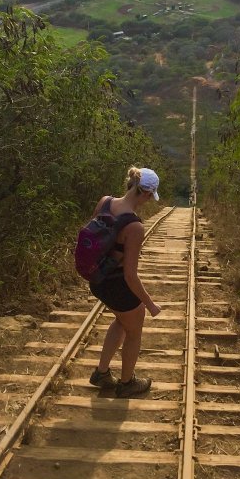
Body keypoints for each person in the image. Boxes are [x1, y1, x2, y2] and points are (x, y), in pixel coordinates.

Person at [88, 166, 162, 398]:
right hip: (118, 285)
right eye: (151, 197)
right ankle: (127, 382)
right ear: (147, 194)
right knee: (134, 329)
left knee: (122, 320)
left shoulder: (105, 202)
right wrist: (149, 304)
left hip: (97, 279)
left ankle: (101, 373)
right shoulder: (135, 227)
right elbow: (130, 275)